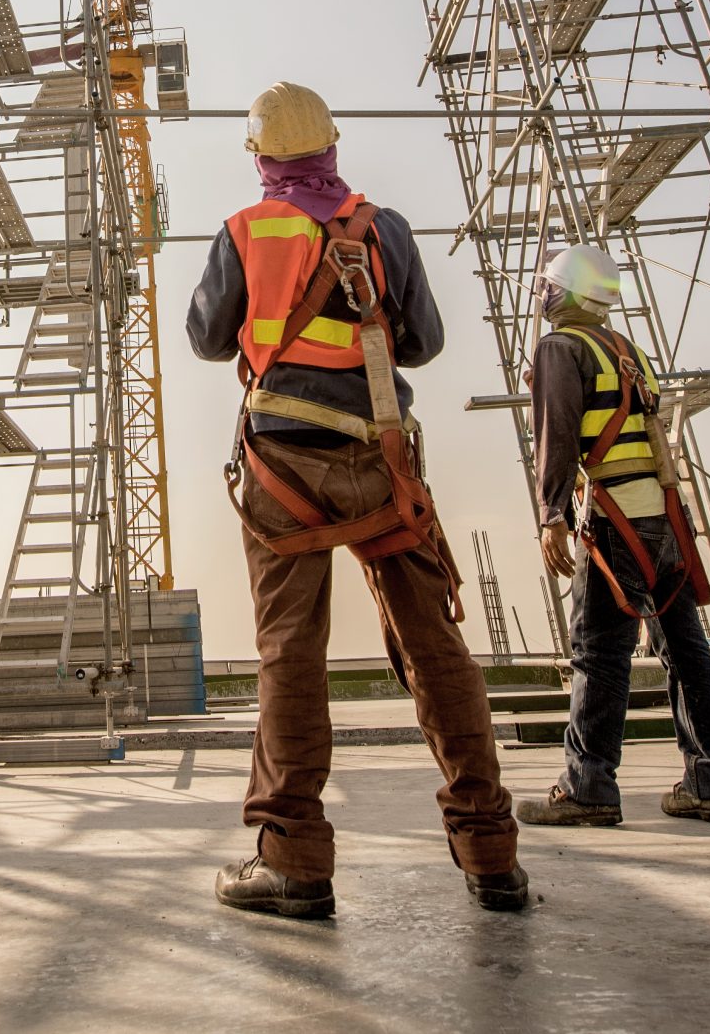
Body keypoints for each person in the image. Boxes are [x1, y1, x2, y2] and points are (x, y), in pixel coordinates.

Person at [188, 82, 525, 918]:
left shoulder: (245, 229)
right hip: (382, 460)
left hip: (282, 469)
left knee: (290, 650)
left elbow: (203, 337)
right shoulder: (387, 228)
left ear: (262, 157)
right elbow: (427, 342)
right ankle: (492, 852)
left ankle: (293, 857)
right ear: (332, 149)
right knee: (433, 644)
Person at [519, 245, 710, 828]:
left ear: (565, 292)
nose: (542, 295)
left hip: (617, 519)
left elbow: (559, 437)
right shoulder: (626, 350)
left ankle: (588, 786)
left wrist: (551, 514)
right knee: (685, 649)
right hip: (666, 518)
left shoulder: (559, 348)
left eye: (548, 286)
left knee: (598, 652)